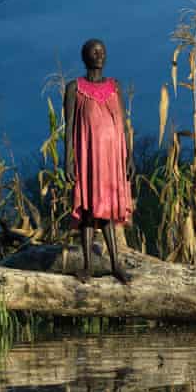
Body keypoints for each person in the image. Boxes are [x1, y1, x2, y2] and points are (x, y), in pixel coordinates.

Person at [63, 38, 135, 284]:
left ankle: (116, 265)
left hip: (112, 157)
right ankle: (87, 267)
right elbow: (69, 127)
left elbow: (123, 124)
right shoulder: (75, 88)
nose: (100, 55)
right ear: (85, 56)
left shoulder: (115, 87)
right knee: (87, 210)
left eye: (103, 51)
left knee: (106, 211)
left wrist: (129, 157)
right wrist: (68, 161)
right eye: (95, 51)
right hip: (87, 155)